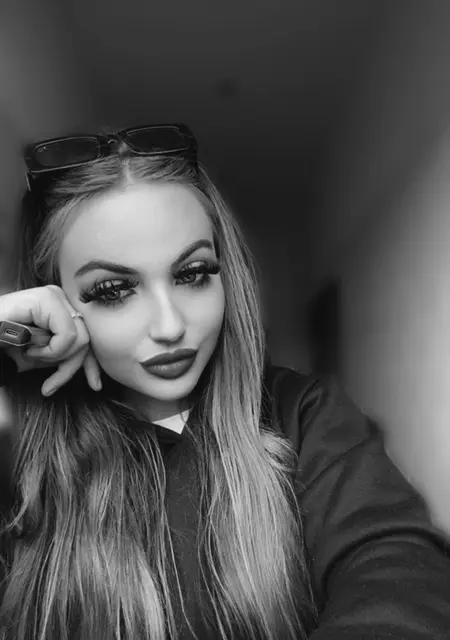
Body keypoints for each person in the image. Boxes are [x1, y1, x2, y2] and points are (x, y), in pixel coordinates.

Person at [0, 123, 449, 640]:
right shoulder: (22, 450)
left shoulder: (306, 416)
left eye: (192, 274)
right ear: (55, 298)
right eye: (112, 290)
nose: (170, 326)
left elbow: (397, 571)